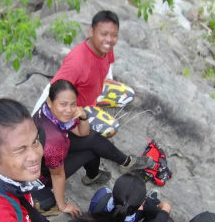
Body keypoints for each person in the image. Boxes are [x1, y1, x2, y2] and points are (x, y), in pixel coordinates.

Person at [32, 80, 153, 213]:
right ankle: (92, 177)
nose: (69, 110)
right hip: (43, 174)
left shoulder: (50, 111)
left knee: (93, 139)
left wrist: (83, 117)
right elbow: (57, 175)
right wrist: (63, 205)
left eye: (73, 104)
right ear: (50, 101)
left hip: (51, 149)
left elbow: (83, 133)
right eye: (64, 104)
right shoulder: (54, 141)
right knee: (92, 151)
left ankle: (126, 162)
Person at [52, 10, 124, 110]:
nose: (109, 40)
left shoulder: (106, 49)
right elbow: (54, 94)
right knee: (110, 125)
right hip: (75, 113)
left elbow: (108, 69)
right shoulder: (77, 62)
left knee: (127, 94)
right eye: (104, 34)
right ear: (91, 32)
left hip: (92, 102)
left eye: (114, 35)